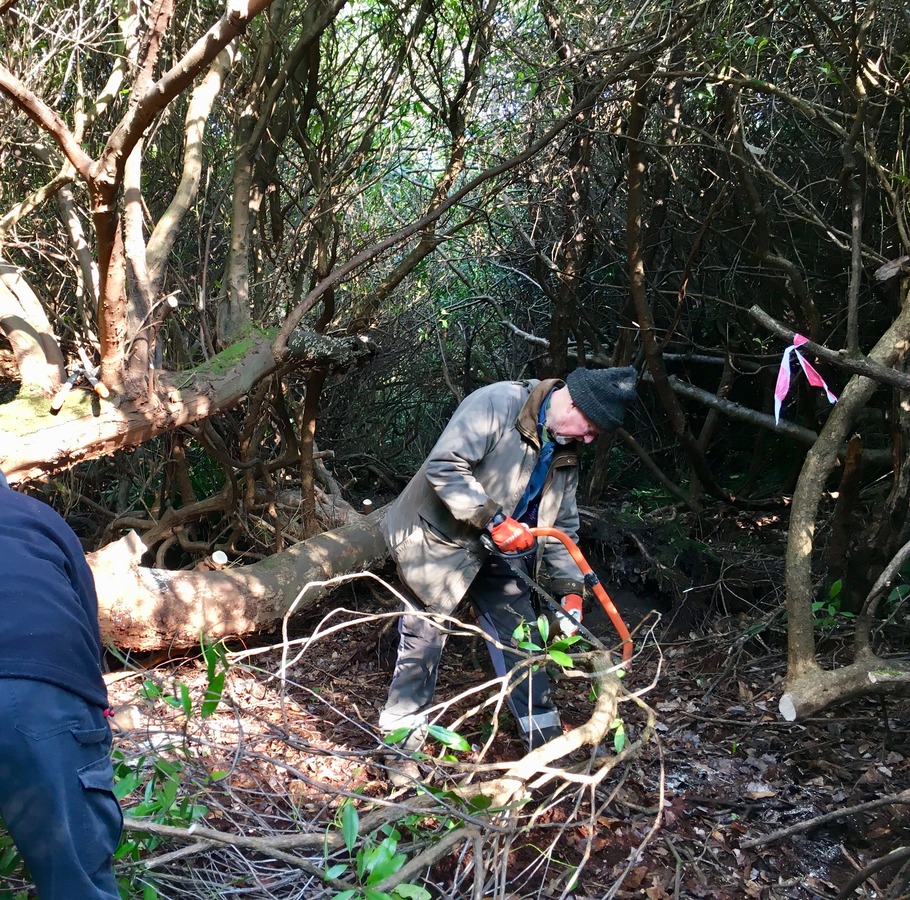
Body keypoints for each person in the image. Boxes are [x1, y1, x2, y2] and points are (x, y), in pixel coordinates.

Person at [379, 366, 637, 753]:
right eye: (589, 428)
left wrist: (570, 593)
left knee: (524, 640)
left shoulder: (565, 448)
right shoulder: (498, 403)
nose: (586, 438)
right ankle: (399, 746)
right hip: (439, 541)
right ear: (574, 400)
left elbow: (561, 525)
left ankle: (546, 746)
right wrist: (494, 519)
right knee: (424, 639)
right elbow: (444, 465)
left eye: (594, 436)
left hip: (498, 550)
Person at [0, 470, 122, 898]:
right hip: (46, 692)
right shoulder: (39, 516)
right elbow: (87, 617)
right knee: (77, 885)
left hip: (39, 686)